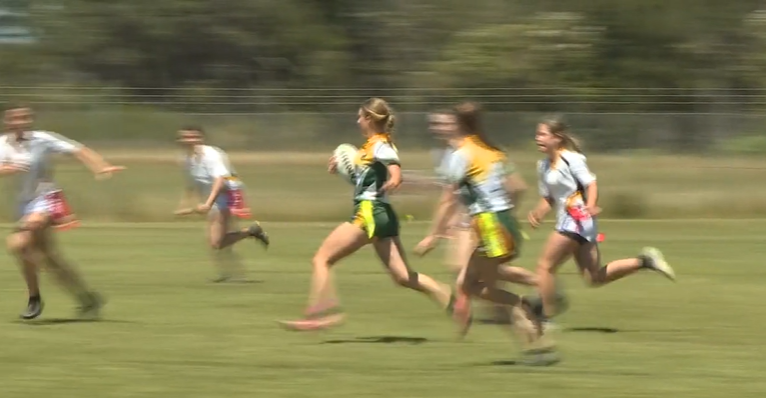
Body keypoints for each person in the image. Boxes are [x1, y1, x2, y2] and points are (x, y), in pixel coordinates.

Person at [279, 98, 462, 332]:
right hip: (382, 213)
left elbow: (395, 169)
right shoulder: (369, 146)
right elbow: (365, 180)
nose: (357, 121)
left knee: (321, 259)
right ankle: (444, 294)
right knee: (403, 276)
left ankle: (321, 313)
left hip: (369, 213)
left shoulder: (379, 145)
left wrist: (395, 179)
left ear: (369, 119)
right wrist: (342, 171)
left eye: (359, 116)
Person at [414, 101, 549, 360]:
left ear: (459, 125)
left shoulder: (461, 155)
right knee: (468, 283)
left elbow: (447, 198)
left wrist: (433, 234)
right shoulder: (493, 151)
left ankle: (525, 307)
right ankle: (533, 340)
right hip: (506, 221)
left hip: (489, 225)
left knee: (477, 287)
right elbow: (517, 188)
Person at [527, 115, 676, 326]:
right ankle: (645, 261)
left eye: (542, 134)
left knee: (544, 266)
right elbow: (549, 197)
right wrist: (539, 212)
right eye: (537, 134)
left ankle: (545, 317)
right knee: (593, 277)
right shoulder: (542, 166)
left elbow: (591, 184)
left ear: (557, 137)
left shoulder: (572, 159)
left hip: (576, 220)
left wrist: (590, 204)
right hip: (572, 222)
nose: (537, 138)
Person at [0, 104, 125, 320]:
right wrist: (5, 169)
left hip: (47, 198)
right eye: (14, 118)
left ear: (30, 120)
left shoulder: (43, 139)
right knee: (48, 258)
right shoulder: (2, 144)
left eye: (24, 117)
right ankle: (87, 299)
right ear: (6, 121)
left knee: (24, 238)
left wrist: (100, 166)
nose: (19, 122)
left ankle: (34, 299)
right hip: (23, 204)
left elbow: (79, 150)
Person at [174, 126, 269, 282]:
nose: (189, 140)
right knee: (220, 240)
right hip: (214, 195)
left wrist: (207, 204)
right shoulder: (186, 159)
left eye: (193, 137)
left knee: (216, 242)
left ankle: (252, 231)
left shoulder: (211, 155)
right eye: (185, 137)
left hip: (229, 193)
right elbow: (193, 184)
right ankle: (231, 274)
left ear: (201, 138)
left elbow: (220, 180)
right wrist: (186, 204)